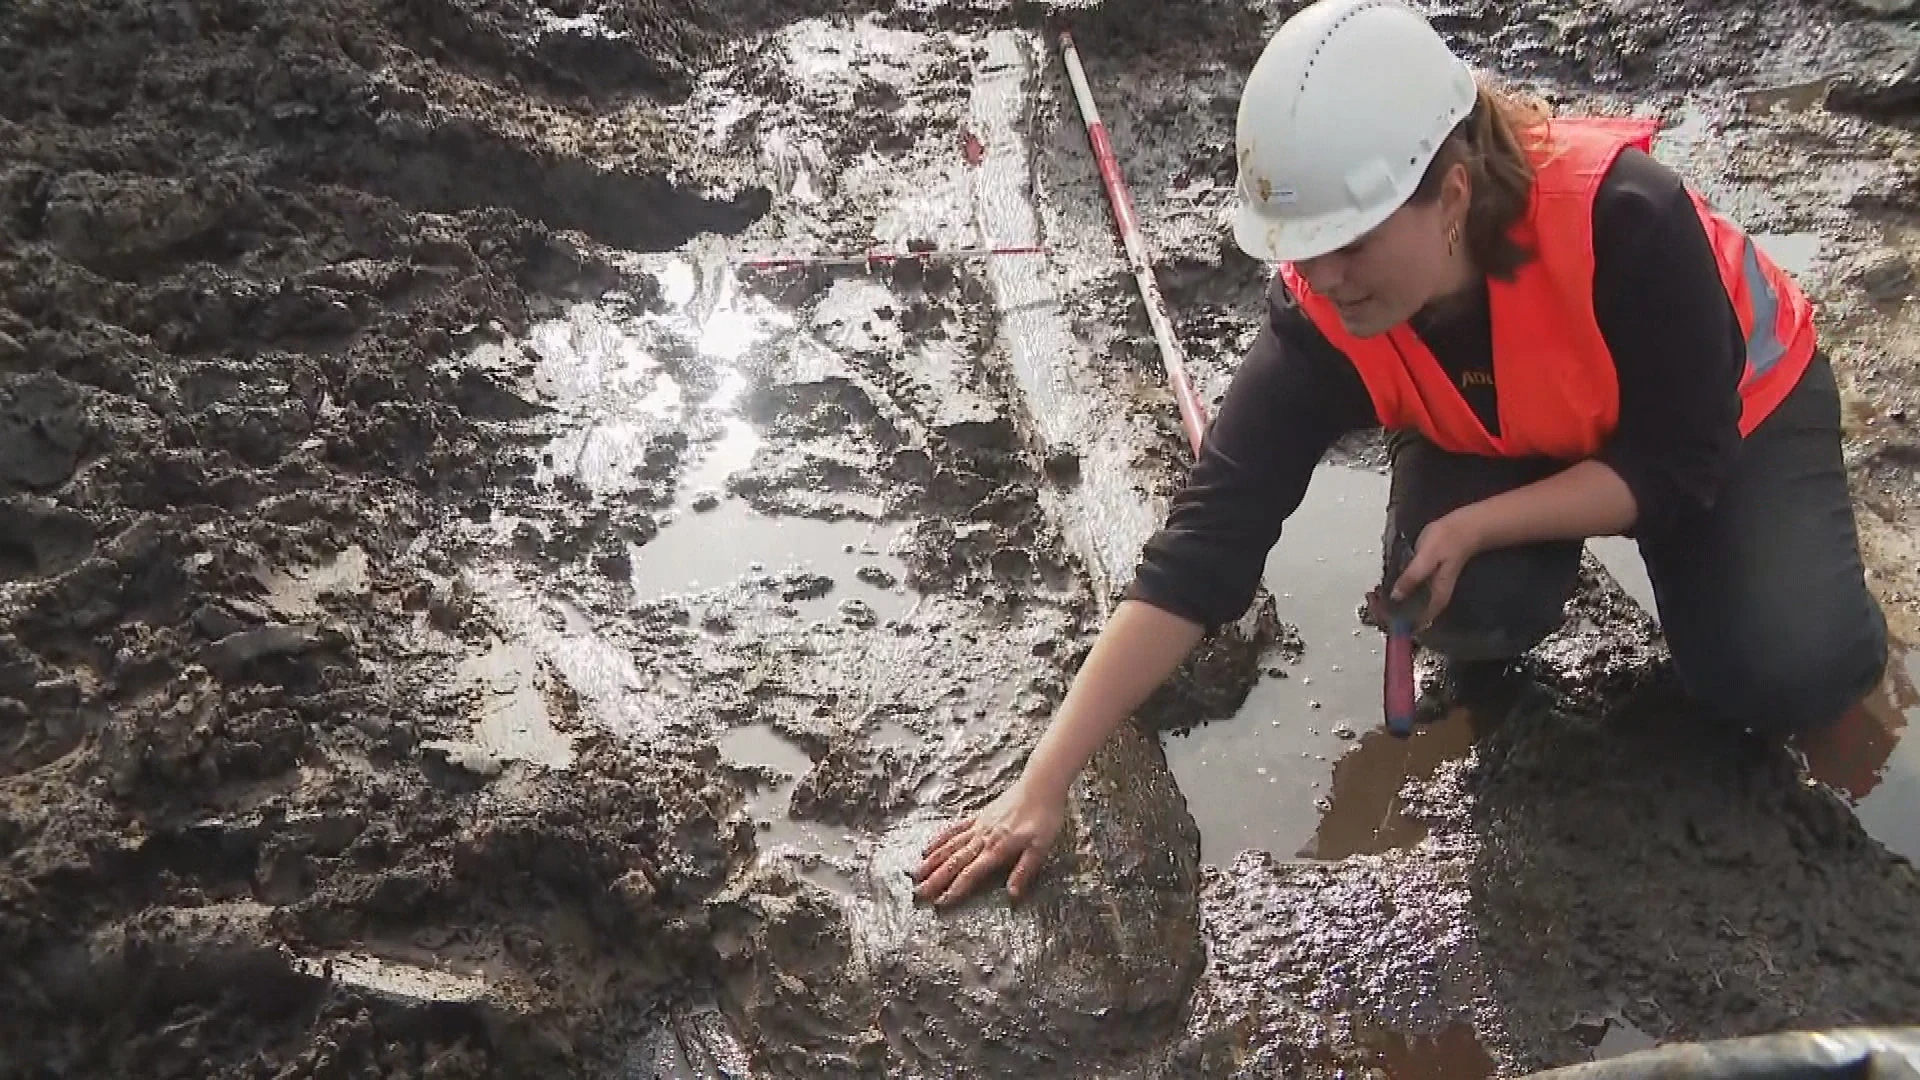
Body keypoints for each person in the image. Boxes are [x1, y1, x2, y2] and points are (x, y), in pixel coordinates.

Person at [910, 0, 1891, 907]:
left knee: (1780, 674)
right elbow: (1200, 553)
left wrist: (1478, 520)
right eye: (1303, 248)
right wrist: (1040, 787)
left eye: (1351, 243)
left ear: (1451, 194)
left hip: (1725, 418)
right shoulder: (1324, 313)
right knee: (1462, 605)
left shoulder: (1629, 219)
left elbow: (1680, 471)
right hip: (1511, 420)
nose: (1326, 280)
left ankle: (1830, 630)